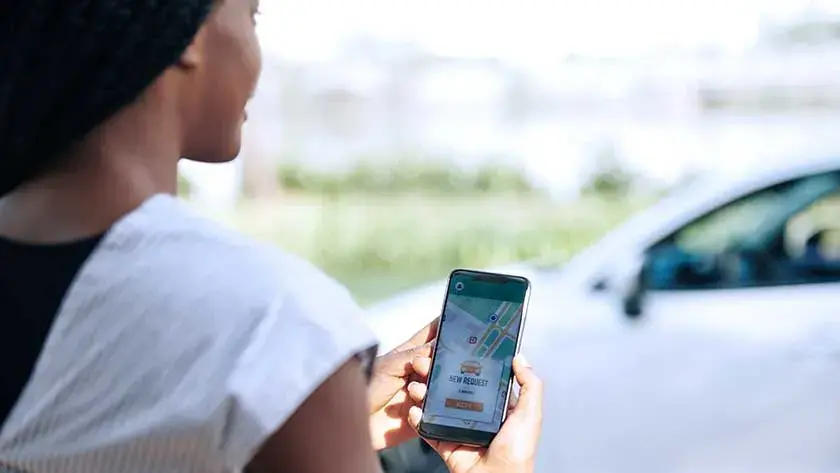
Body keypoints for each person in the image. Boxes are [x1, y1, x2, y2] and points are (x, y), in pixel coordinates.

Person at [0, 1, 543, 472]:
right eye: (253, 16)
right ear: (191, 39)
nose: (258, 58)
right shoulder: (273, 322)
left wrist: (323, 419)